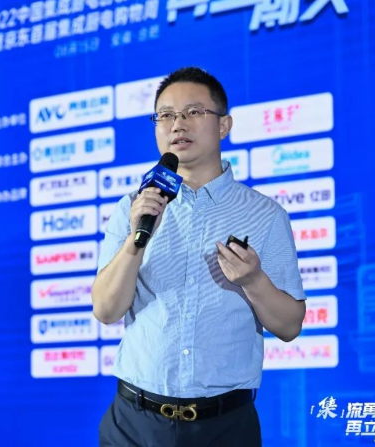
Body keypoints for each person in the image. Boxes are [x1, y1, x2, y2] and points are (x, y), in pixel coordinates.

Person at [92, 67, 307, 446]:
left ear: (223, 125)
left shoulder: (265, 215)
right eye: (166, 115)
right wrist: (135, 241)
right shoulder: (133, 207)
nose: (178, 124)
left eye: (193, 112)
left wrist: (253, 280)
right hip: (134, 423)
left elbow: (289, 326)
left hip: (225, 426)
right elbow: (107, 310)